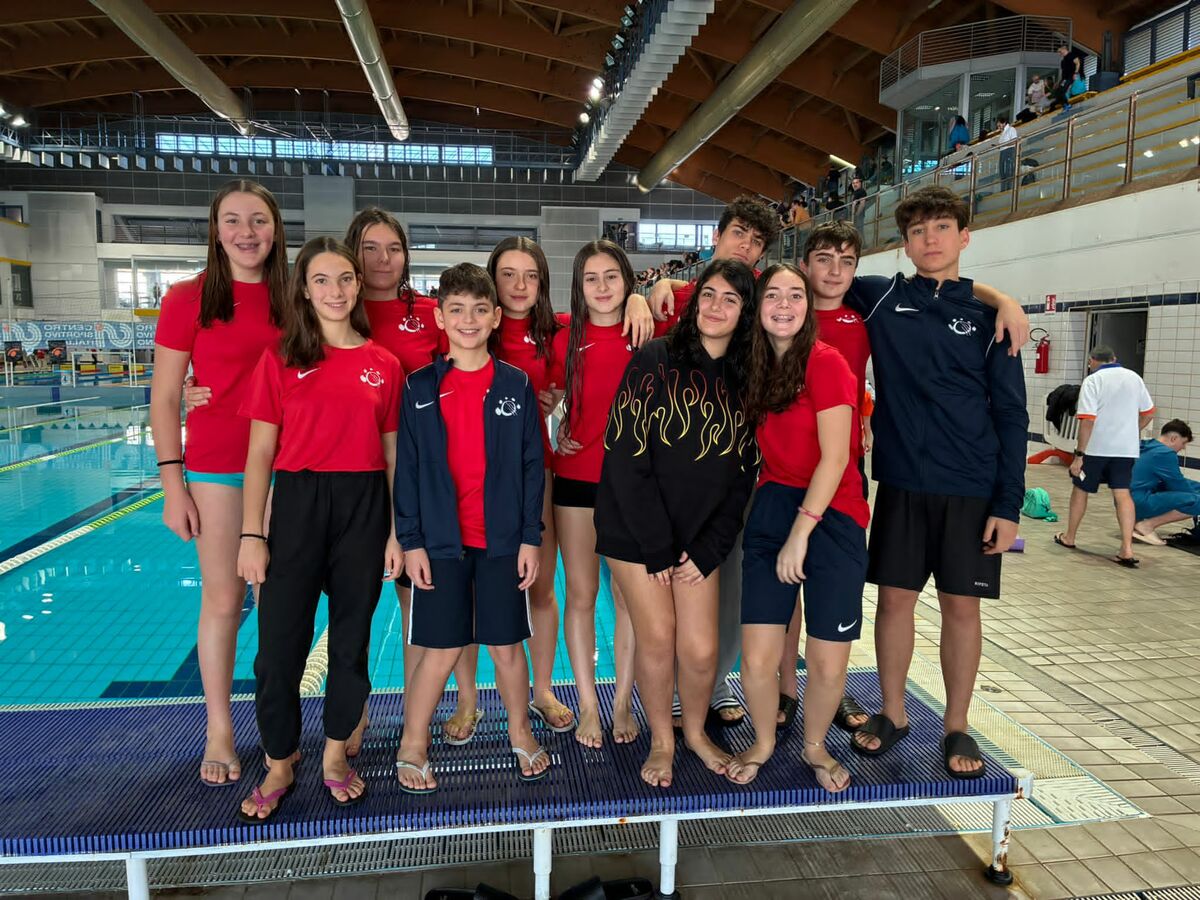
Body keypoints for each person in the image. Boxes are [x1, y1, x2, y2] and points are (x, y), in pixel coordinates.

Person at [846, 186, 1028, 779]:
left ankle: (956, 723)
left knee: (961, 606)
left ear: (964, 237)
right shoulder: (881, 297)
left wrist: (1009, 505)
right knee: (894, 601)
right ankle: (893, 713)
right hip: (902, 481)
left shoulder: (990, 320)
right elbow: (809, 278)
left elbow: (1012, 415)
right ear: (905, 243)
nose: (930, 239)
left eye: (942, 227)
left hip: (971, 487)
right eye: (919, 230)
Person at [236, 237, 404, 822]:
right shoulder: (281, 358)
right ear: (304, 290)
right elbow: (260, 454)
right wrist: (251, 535)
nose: (336, 291)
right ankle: (279, 761)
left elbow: (392, 456)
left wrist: (395, 532)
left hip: (364, 506)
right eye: (322, 280)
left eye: (345, 279)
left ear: (358, 286)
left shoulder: (384, 365)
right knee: (277, 649)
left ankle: (335, 754)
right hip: (298, 504)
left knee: (350, 643)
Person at [596, 258, 760, 789]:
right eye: (708, 294)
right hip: (635, 530)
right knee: (659, 637)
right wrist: (657, 546)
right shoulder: (656, 358)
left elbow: (744, 476)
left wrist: (709, 547)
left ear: (745, 312)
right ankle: (662, 740)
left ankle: (694, 732)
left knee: (702, 649)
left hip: (697, 535)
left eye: (730, 299)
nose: (715, 306)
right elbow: (625, 458)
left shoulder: (747, 378)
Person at [150, 180, 289, 787]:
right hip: (217, 466)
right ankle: (219, 730)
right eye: (233, 220)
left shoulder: (295, 296)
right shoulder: (187, 298)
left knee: (282, 605)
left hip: (291, 466)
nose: (246, 232)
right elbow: (163, 398)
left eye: (258, 220)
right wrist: (172, 485)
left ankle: (281, 730)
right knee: (225, 600)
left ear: (276, 229)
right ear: (215, 229)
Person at [393, 263, 549, 792]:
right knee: (440, 650)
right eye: (456, 310)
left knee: (507, 647)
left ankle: (520, 731)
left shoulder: (515, 384)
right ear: (439, 317)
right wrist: (411, 541)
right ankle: (413, 742)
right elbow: (408, 470)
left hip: (501, 542)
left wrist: (530, 536)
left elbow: (532, 466)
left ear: (496, 317)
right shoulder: (419, 387)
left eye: (480, 310)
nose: (468, 319)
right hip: (441, 544)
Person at [728, 264, 868, 791]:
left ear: (808, 307)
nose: (783, 305)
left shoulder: (826, 363)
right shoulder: (755, 365)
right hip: (773, 506)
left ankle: (814, 746)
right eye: (773, 296)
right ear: (757, 306)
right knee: (757, 656)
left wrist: (801, 534)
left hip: (833, 514)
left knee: (827, 660)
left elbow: (836, 458)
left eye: (795, 296)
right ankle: (764, 740)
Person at [646, 195, 780, 727]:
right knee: (667, 585)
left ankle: (716, 678)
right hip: (674, 472)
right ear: (717, 235)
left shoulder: (767, 300)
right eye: (739, 233)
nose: (745, 246)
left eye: (756, 241)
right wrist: (642, 293)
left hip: (737, 470)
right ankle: (675, 684)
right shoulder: (676, 297)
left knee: (726, 579)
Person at [548, 241, 639, 748]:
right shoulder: (563, 337)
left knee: (627, 598)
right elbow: (543, 393)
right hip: (576, 478)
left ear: (627, 280)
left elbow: (705, 292)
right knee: (582, 595)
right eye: (591, 278)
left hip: (633, 485)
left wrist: (649, 294)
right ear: (578, 287)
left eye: (612, 277)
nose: (602, 287)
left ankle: (622, 702)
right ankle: (587, 704)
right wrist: (555, 422)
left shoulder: (647, 330)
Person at [1054, 346, 1155, 567]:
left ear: (1091, 361)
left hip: (1096, 449)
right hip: (1125, 450)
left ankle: (1069, 537)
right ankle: (1126, 548)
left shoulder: (1093, 381)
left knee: (1080, 489)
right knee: (1122, 493)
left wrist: (1079, 455)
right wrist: (1131, 432)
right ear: (1114, 358)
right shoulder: (1134, 378)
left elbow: (1088, 420)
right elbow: (1148, 413)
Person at [1132, 419, 1199, 544]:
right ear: (1174, 438)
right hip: (1139, 502)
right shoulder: (1164, 453)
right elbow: (1178, 485)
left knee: (1195, 487)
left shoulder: (1146, 445)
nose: (1183, 447)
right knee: (1197, 500)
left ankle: (1138, 522)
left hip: (1126, 501)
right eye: (1183, 443)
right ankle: (1147, 526)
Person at [997, 116, 1018, 193]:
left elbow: (1014, 141)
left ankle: (1009, 189)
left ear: (1004, 123)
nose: (998, 127)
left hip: (1009, 151)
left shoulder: (1011, 129)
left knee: (1008, 171)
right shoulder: (1002, 133)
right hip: (1002, 152)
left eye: (999, 125)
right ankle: (1003, 190)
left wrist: (1003, 145)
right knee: (1002, 172)